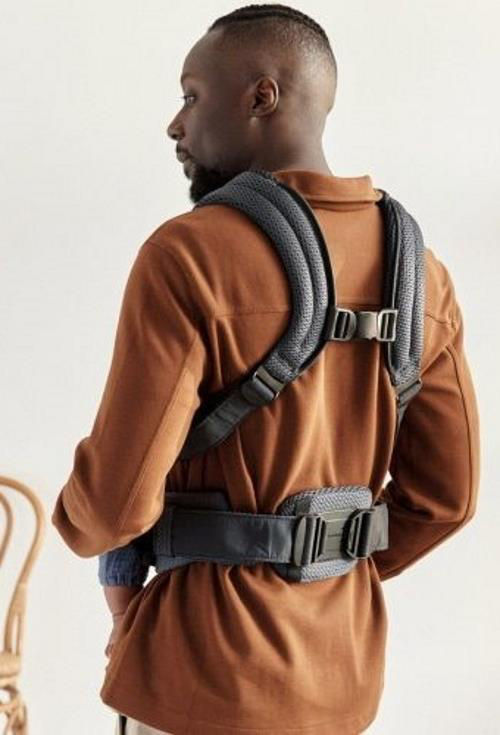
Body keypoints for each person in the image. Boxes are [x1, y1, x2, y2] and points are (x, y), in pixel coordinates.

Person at [51, 4, 481, 734]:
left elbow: (116, 506)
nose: (175, 124)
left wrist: (81, 523)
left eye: (191, 95)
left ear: (261, 96)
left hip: (198, 677)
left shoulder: (189, 254)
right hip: (341, 679)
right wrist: (323, 564)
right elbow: (448, 499)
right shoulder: (421, 275)